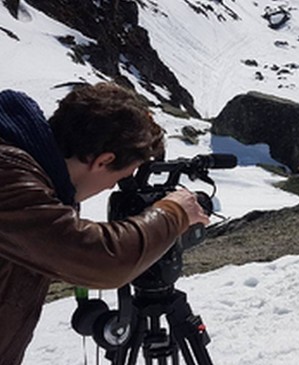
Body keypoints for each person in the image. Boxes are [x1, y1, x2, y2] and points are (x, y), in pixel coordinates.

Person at [0, 82, 209, 364]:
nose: (114, 187)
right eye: (121, 176)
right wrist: (174, 212)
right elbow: (102, 259)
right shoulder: (10, 178)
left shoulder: (27, 172)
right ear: (103, 161)